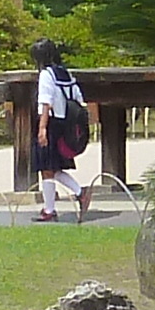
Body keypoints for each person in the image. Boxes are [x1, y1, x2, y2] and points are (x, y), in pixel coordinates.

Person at [26, 37, 93, 220]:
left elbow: (46, 103)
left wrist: (42, 128)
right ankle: (78, 193)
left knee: (47, 167)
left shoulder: (46, 75)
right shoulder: (66, 73)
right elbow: (79, 98)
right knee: (53, 168)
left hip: (52, 123)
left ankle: (51, 209)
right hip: (66, 125)